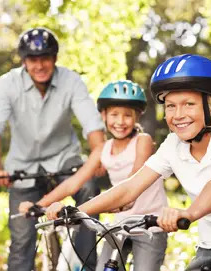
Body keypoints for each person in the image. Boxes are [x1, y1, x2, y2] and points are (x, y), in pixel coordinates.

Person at [47, 54, 211, 270]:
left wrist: (188, 213)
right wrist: (76, 211)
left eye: (188, 104)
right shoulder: (173, 144)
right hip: (209, 251)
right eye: (171, 106)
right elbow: (129, 188)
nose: (178, 114)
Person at [0, 27, 105, 271]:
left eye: (45, 58)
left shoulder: (71, 80)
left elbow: (92, 123)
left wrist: (98, 155)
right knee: (22, 240)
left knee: (89, 189)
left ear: (55, 58)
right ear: (24, 61)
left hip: (65, 161)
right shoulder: (7, 83)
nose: (39, 65)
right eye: (33, 60)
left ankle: (85, 265)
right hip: (23, 167)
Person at [21, 80, 168, 270]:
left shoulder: (143, 141)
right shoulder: (102, 149)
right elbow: (73, 183)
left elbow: (134, 181)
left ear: (137, 116)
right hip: (119, 225)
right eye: (114, 114)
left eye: (127, 115)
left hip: (150, 225)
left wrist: (114, 203)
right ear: (103, 115)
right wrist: (39, 205)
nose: (120, 121)